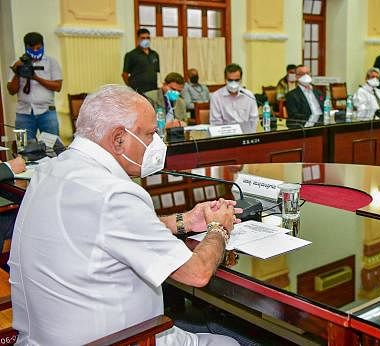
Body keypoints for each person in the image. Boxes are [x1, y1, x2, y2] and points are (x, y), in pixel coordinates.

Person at [8, 84, 241, 345]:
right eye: (151, 133)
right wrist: (219, 228)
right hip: (123, 339)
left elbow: (109, 232)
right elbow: (196, 273)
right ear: (119, 138)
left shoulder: (49, 171)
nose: (157, 143)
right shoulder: (113, 194)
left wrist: (184, 221)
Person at [6, 32, 62, 141]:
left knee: (52, 147)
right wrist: (17, 72)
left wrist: (36, 78)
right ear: (26, 47)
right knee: (23, 148)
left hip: (47, 113)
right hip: (23, 114)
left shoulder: (51, 62)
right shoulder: (17, 63)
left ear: (43, 46)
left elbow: (58, 86)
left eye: (38, 47)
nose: (35, 51)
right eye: (32, 48)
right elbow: (11, 90)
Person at [210, 64, 258, 133]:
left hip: (246, 135)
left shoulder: (249, 95)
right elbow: (216, 123)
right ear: (225, 79)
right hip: (225, 137)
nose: (233, 83)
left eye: (236, 80)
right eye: (230, 80)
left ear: (241, 80)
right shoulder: (216, 97)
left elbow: (254, 120)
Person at [122, 28, 160, 94]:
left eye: (148, 38)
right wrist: (131, 87)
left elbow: (157, 72)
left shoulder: (154, 54)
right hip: (138, 91)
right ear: (138, 39)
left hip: (153, 90)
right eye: (143, 38)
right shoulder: (130, 55)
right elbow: (124, 74)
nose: (146, 40)